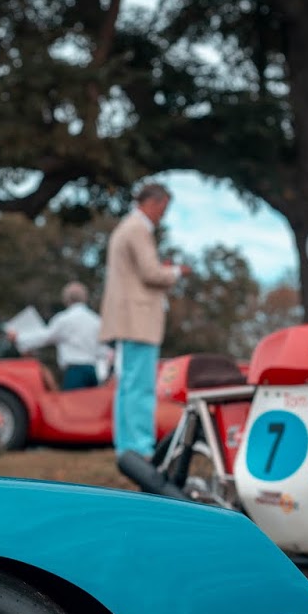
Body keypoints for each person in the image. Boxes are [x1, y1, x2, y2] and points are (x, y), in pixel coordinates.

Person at [99, 182, 182, 459]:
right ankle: (140, 446)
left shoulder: (125, 228)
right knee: (141, 386)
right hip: (138, 318)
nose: (163, 215)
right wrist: (175, 272)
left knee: (128, 386)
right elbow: (150, 273)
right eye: (164, 208)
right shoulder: (138, 229)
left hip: (127, 318)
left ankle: (126, 445)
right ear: (154, 203)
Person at [7, 281, 109, 389]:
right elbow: (102, 350)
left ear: (66, 299)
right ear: (85, 298)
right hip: (93, 372)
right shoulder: (96, 321)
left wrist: (19, 338)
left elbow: (45, 337)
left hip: (74, 372)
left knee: (72, 400)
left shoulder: (64, 319)